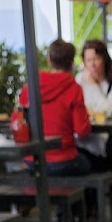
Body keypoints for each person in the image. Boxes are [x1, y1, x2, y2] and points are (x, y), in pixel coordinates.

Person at [17, 38, 91, 177]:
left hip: (32, 161)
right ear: (72, 63)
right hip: (63, 161)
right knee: (89, 162)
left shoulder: (29, 88)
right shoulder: (74, 89)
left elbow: (18, 121)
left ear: (49, 61)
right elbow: (82, 131)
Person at [76, 39, 112, 171]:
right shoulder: (80, 79)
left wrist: (92, 86)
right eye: (88, 60)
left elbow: (108, 111)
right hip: (85, 137)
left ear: (104, 59)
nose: (92, 64)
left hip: (109, 136)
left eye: (96, 59)